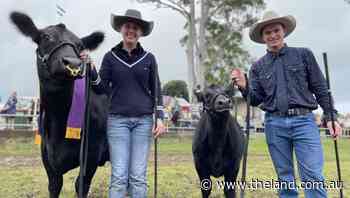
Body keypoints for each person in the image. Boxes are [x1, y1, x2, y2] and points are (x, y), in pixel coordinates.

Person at [231, 11, 342, 197]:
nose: (273, 35)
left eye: (276, 30)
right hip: (275, 124)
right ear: (262, 37)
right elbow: (256, 99)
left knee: (312, 175)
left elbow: (321, 88)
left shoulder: (303, 55)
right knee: (285, 178)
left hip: (304, 121)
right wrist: (244, 86)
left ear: (284, 31)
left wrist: (331, 116)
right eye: (268, 33)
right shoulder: (257, 67)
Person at [81, 9, 165, 198]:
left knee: (138, 177)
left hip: (143, 122)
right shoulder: (110, 57)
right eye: (128, 26)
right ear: (121, 29)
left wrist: (160, 118)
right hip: (117, 122)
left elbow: (157, 89)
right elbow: (101, 87)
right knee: (119, 176)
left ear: (140, 32)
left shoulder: (149, 58)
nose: (131, 30)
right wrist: (91, 68)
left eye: (135, 28)